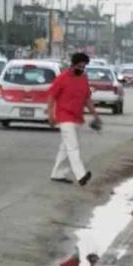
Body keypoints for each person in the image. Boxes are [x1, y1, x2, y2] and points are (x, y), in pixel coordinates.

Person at [47, 52, 100, 186]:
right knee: (73, 147)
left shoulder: (83, 79)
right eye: (80, 66)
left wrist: (95, 115)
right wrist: (50, 115)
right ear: (73, 65)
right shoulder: (62, 78)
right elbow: (51, 97)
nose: (81, 69)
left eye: (84, 67)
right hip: (64, 117)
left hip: (77, 118)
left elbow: (87, 99)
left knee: (65, 147)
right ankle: (81, 175)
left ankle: (57, 173)